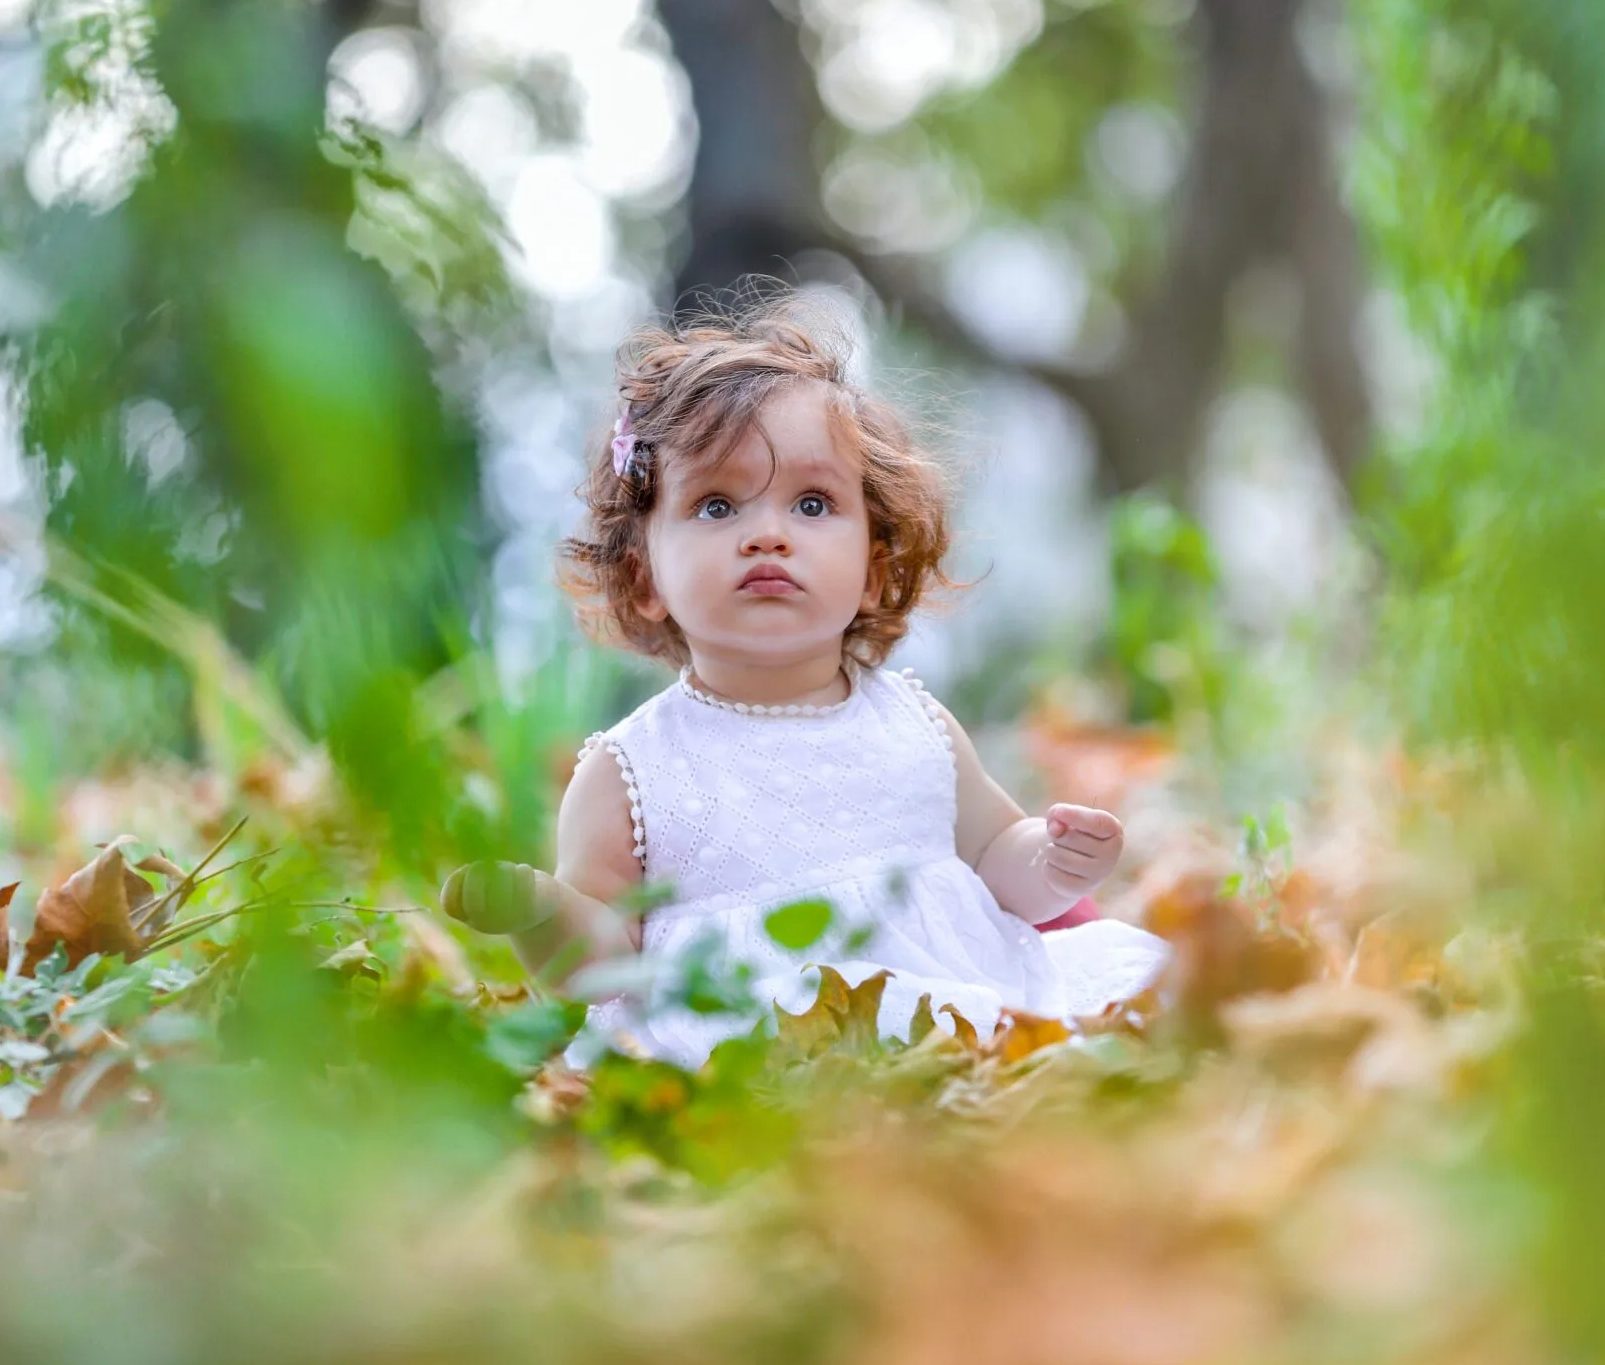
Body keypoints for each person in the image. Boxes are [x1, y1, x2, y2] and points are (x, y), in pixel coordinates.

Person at [444, 296, 1167, 1063]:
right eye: (716, 504)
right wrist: (538, 910)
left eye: (812, 503)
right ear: (644, 574)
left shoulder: (913, 724)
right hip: (745, 1052)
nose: (766, 534)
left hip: (950, 1024)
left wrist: (1053, 863)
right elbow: (601, 960)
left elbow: (997, 861)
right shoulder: (629, 773)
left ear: (872, 570)